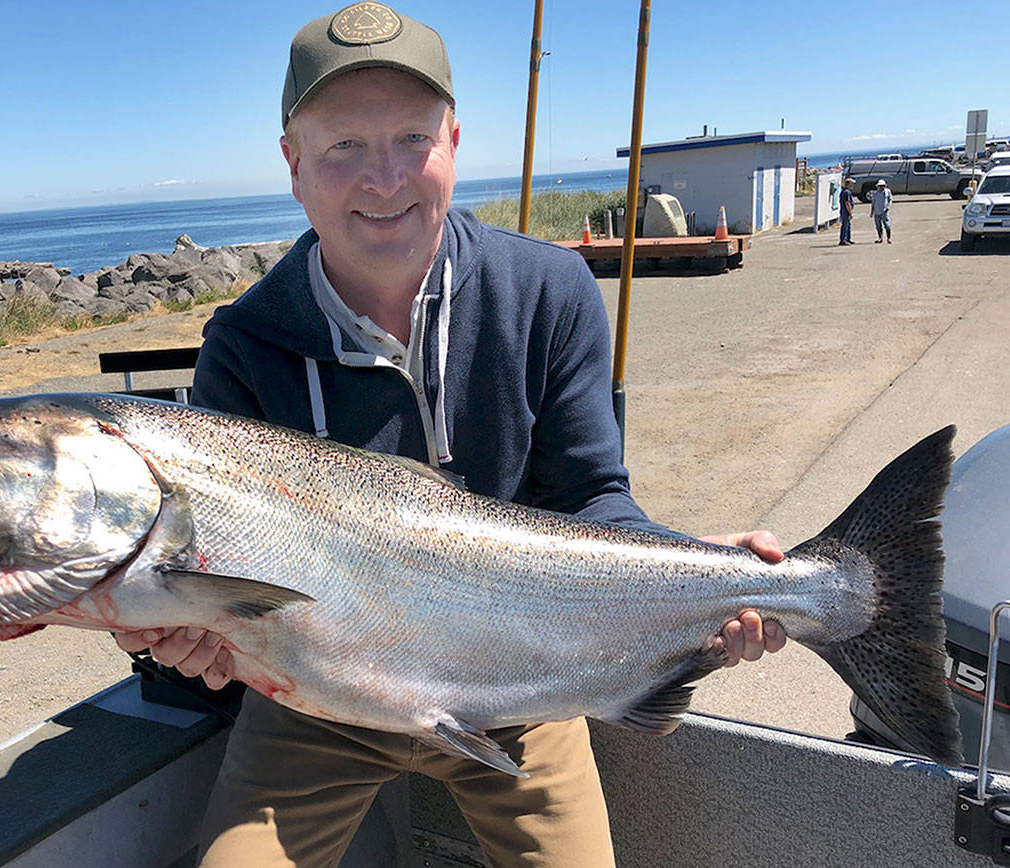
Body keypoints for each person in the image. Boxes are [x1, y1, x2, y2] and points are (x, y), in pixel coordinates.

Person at [115, 5, 786, 864]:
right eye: (344, 146)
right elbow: (218, 583)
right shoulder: (245, 345)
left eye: (412, 138)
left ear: (454, 143)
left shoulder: (548, 291)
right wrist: (182, 634)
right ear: (294, 165)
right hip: (316, 703)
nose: (384, 177)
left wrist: (694, 571)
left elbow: (590, 497)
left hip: (518, 686)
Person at [870, 178, 893, 243]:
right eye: (880, 186)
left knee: (887, 225)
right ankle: (880, 238)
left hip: (884, 211)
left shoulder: (887, 191)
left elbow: (890, 200)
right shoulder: (875, 193)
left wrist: (888, 207)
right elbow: (873, 203)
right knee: (878, 225)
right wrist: (872, 212)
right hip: (877, 211)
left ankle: (888, 238)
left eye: (882, 186)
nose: (881, 187)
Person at [839, 177, 855, 245]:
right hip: (845, 211)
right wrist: (850, 213)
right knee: (845, 226)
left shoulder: (845, 191)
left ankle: (848, 239)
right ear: (848, 184)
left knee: (848, 225)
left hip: (845, 211)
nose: (853, 185)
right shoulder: (846, 192)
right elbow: (847, 203)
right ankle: (843, 240)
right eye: (852, 184)